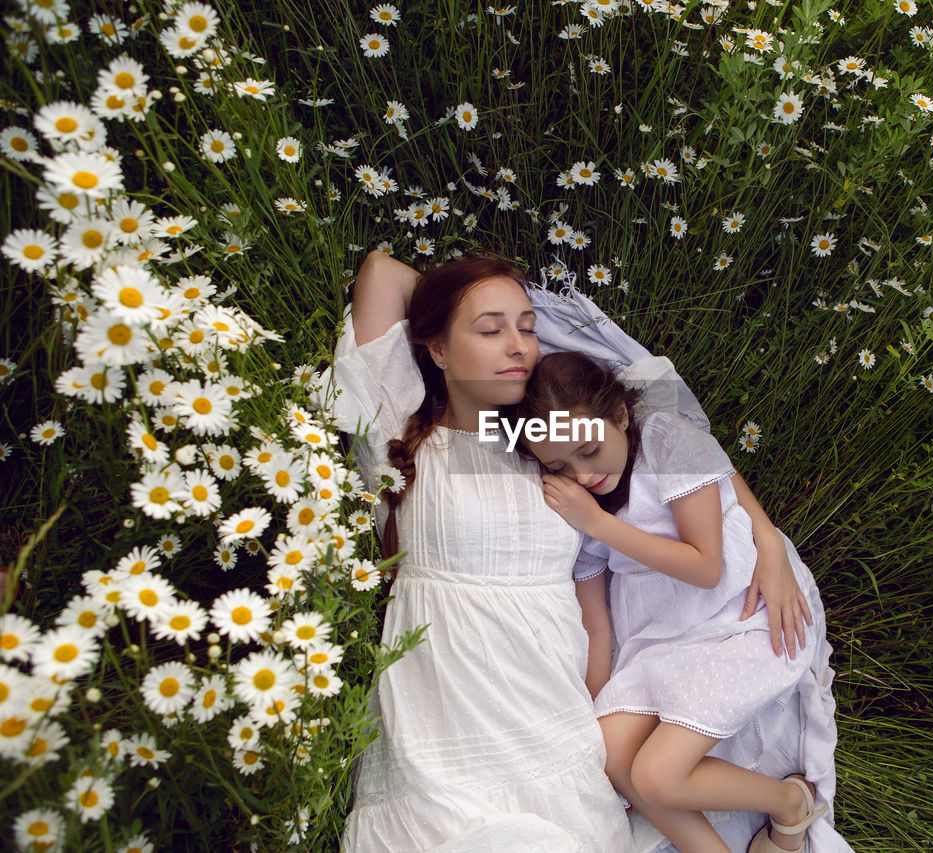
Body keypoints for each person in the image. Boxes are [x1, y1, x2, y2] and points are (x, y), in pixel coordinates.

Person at [321, 250, 821, 852]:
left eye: (528, 328)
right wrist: (452, 309)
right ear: (436, 349)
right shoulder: (402, 426)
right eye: (491, 329)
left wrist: (766, 539)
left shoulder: (550, 449)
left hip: (550, 691)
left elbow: (684, 455)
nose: (517, 345)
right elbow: (381, 270)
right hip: (440, 692)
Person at [513, 351, 851, 853]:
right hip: (663, 638)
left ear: (621, 417)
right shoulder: (581, 510)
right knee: (610, 751)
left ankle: (790, 803)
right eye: (560, 466)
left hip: (736, 612)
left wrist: (599, 524)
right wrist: (593, 703)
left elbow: (705, 566)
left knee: (656, 776)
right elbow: (598, 626)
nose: (582, 477)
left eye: (589, 449)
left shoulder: (665, 442)